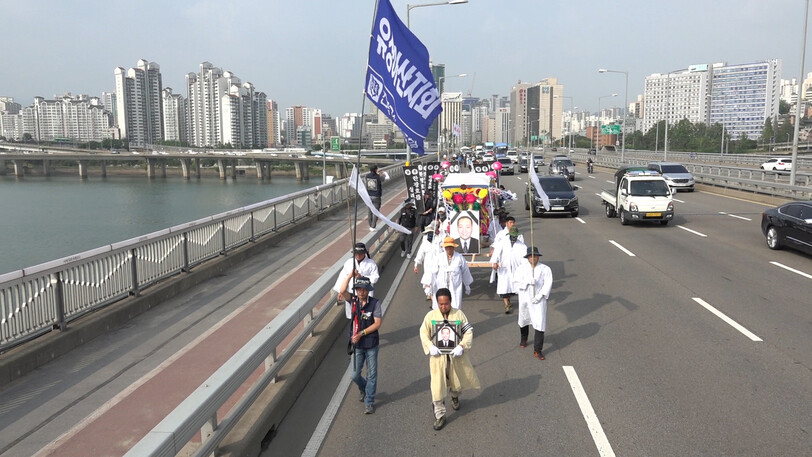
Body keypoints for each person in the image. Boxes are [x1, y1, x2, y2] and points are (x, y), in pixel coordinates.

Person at [419, 288, 480, 430]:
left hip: (455, 356)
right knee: (437, 386)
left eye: (446, 304)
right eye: (440, 304)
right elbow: (423, 332)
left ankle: (455, 396)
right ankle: (440, 414)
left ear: (450, 302)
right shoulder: (430, 316)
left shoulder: (459, 314)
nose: (443, 307)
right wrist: (429, 346)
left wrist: (462, 346)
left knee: (456, 381)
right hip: (437, 358)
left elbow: (468, 331)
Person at [339, 273, 383, 414]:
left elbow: (377, 324)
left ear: (368, 290)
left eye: (363, 289)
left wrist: (361, 333)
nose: (361, 292)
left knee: (372, 374)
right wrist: (350, 275)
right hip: (357, 345)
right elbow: (342, 290)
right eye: (358, 289)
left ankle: (369, 401)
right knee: (354, 375)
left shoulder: (375, 303)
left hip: (371, 344)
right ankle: (363, 388)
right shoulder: (353, 301)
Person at [513, 246, 553, 360]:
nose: (533, 259)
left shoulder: (545, 269)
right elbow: (515, 283)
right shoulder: (521, 269)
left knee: (540, 323)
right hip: (525, 299)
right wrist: (527, 282)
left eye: (535, 256)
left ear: (538, 257)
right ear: (527, 258)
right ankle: (524, 338)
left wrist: (540, 295)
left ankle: (538, 349)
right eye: (531, 256)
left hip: (538, 300)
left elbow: (548, 284)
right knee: (524, 319)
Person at [424, 237, 473, 310]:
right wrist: (428, 285)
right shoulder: (439, 257)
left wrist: (467, 285)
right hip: (441, 286)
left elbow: (465, 271)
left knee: (455, 306)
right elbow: (432, 272)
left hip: (455, 287)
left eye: (450, 247)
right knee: (441, 306)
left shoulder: (459, 258)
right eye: (447, 247)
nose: (449, 249)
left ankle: (454, 320)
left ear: (453, 247)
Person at [491, 228, 526, 314]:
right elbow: (496, 253)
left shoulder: (522, 246)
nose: (514, 238)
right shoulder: (503, 242)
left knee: (515, 286)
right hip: (504, 268)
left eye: (515, 236)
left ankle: (513, 300)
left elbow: (525, 258)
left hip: (516, 269)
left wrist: (525, 267)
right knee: (504, 286)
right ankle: (506, 304)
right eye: (512, 236)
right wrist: (495, 262)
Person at [413, 222, 442, 302]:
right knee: (428, 278)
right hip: (428, 264)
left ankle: (437, 292)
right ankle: (429, 294)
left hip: (437, 263)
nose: (429, 235)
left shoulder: (438, 241)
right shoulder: (424, 243)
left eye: (430, 233)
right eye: (428, 233)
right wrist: (416, 265)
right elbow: (420, 253)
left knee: (437, 279)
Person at [364, 164, 390, 231]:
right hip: (376, 196)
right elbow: (388, 178)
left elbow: (373, 175)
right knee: (376, 212)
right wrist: (385, 173)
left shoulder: (367, 176)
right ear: (375, 170)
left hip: (369, 196)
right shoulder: (378, 177)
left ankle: (370, 225)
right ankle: (373, 226)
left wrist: (377, 172)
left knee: (369, 211)